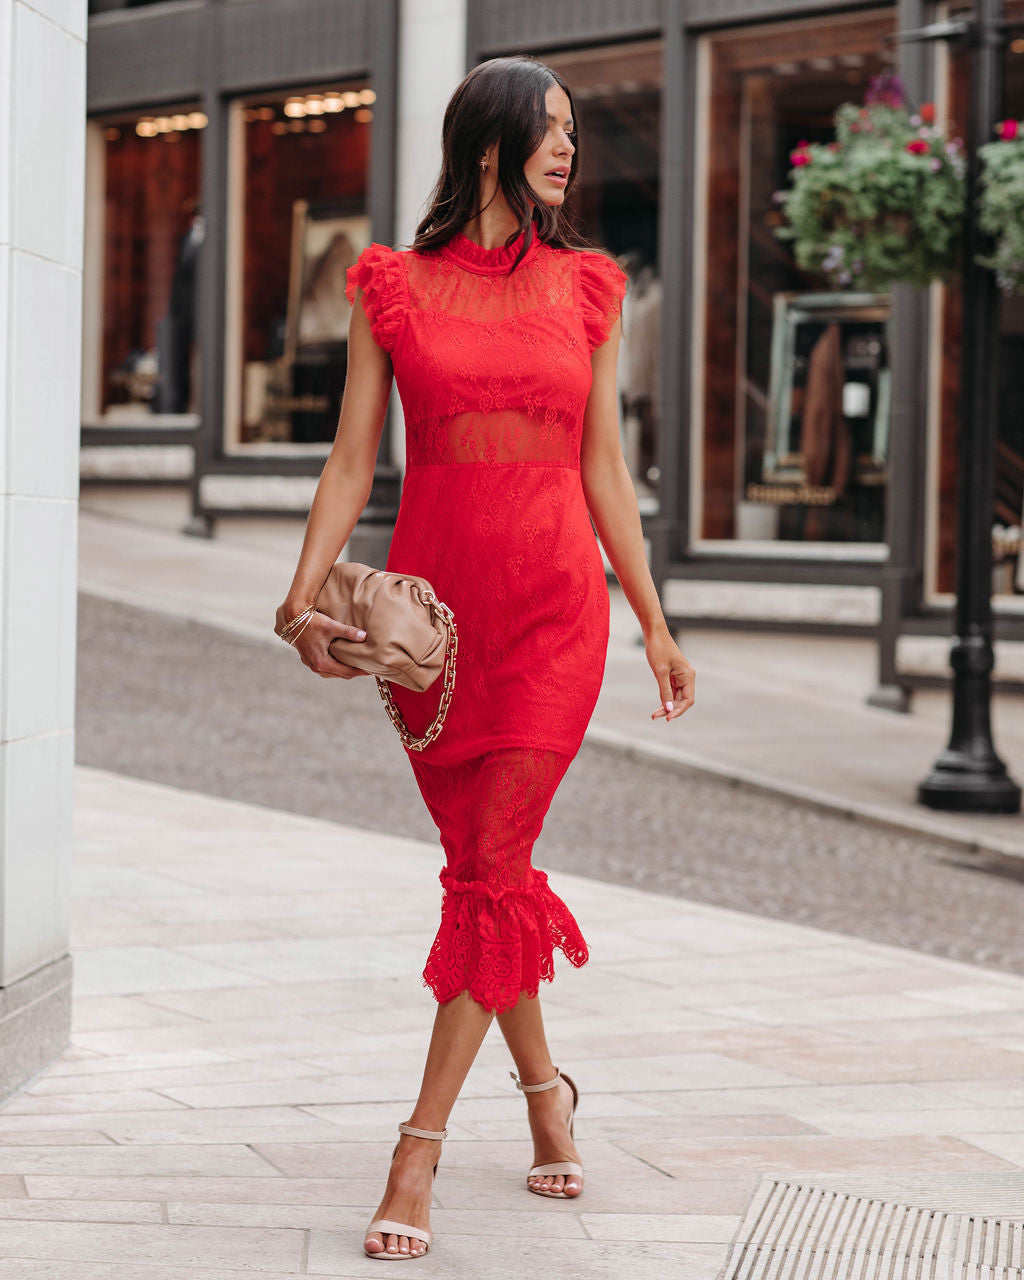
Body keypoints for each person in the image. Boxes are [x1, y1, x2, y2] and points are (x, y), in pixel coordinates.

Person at [274, 55, 695, 1261]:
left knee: (492, 856)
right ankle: (550, 1096)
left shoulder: (586, 287)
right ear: (488, 146)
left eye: (572, 131)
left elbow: (605, 470)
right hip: (436, 633)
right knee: (482, 864)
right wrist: (300, 601)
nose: (568, 150)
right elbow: (353, 461)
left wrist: (655, 622)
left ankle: (416, 1152)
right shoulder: (391, 287)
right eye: (548, 130)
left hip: (556, 613)